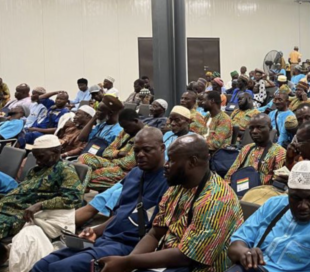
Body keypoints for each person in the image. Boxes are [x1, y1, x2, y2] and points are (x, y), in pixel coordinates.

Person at [96, 134, 242, 272]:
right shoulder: (178, 186)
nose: (166, 165)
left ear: (192, 162)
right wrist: (127, 264)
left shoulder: (216, 200)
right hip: (168, 261)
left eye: (171, 160)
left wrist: (128, 262)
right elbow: (155, 233)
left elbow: (186, 257)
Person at [32, 128, 170, 272]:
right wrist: (95, 231)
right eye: (136, 150)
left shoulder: (169, 182)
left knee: (61, 268)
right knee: (43, 264)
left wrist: (130, 262)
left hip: (128, 247)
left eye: (147, 150)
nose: (140, 155)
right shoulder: (134, 174)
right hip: (104, 240)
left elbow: (156, 233)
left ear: (162, 148)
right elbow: (120, 215)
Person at [229, 160, 310, 271]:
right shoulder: (274, 205)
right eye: (296, 198)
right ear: (288, 192)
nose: (303, 206)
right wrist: (245, 253)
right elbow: (235, 244)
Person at [0, 135, 82, 242]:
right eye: (36, 158)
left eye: (41, 157)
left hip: (18, 215)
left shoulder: (65, 170)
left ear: (56, 152)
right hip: (6, 207)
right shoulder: (36, 170)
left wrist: (40, 205)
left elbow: (73, 198)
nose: (37, 162)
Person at [77, 108, 144, 191]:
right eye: (123, 128)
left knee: (89, 175)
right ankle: (79, 189)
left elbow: (128, 163)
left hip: (127, 171)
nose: (125, 130)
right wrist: (118, 153)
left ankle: (77, 193)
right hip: (112, 163)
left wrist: (112, 157)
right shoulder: (125, 131)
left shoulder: (144, 136)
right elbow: (106, 152)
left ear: (135, 121)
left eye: (127, 127)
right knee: (84, 157)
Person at [224, 114, 286, 187]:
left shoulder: (279, 152)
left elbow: (277, 184)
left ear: (270, 128)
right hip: (239, 188)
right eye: (251, 128)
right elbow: (230, 174)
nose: (254, 131)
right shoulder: (246, 148)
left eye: (260, 127)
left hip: (261, 191)